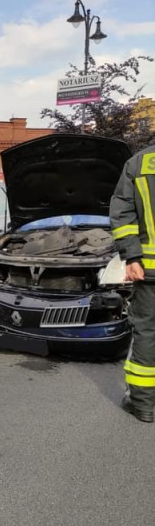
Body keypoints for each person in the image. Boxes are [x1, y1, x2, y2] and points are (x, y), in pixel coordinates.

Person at [110, 140, 155, 423]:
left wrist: (132, 258)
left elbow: (123, 213)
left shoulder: (139, 163)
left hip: (149, 269)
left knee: (147, 335)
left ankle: (144, 405)